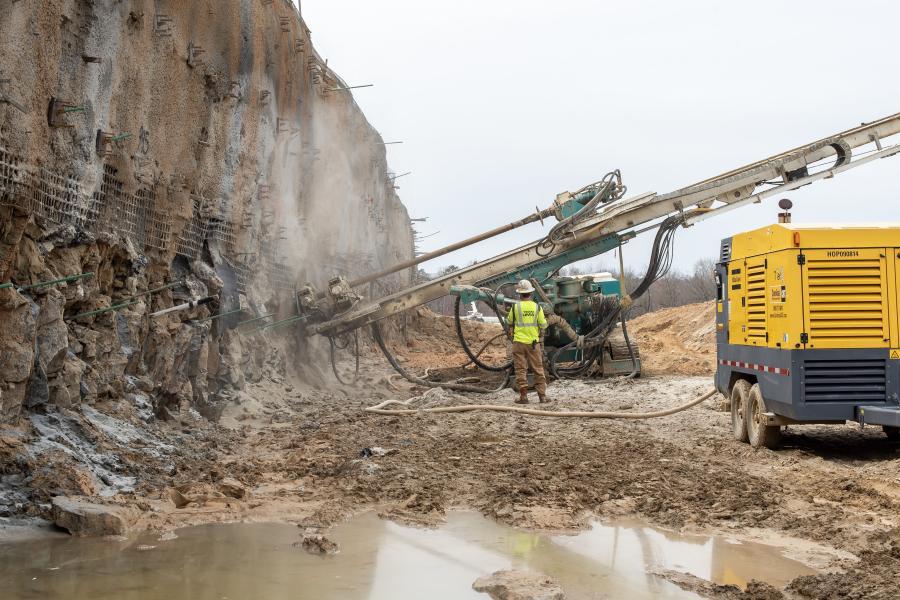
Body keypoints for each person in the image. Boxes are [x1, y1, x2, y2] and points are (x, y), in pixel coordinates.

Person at [506, 279, 550, 404]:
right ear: (530, 293)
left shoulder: (515, 307)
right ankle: (542, 396)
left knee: (520, 369)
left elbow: (509, 322)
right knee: (538, 369)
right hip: (533, 344)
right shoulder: (537, 307)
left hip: (518, 343)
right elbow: (543, 324)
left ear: (519, 294)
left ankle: (524, 397)